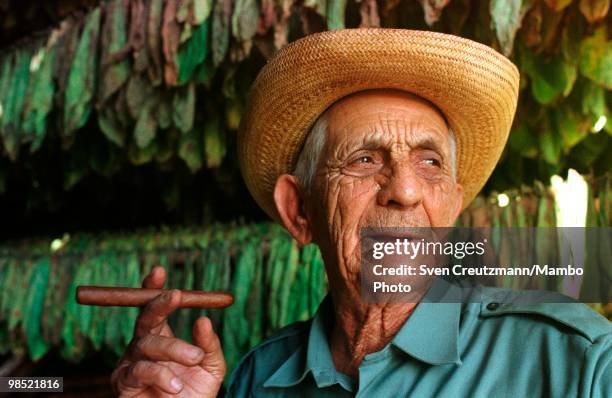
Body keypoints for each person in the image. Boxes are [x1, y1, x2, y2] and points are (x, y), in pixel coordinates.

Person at [111, 29, 612, 397]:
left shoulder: (579, 361)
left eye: (429, 162)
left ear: (453, 206)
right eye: (364, 159)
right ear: (300, 211)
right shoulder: (257, 379)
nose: (406, 190)